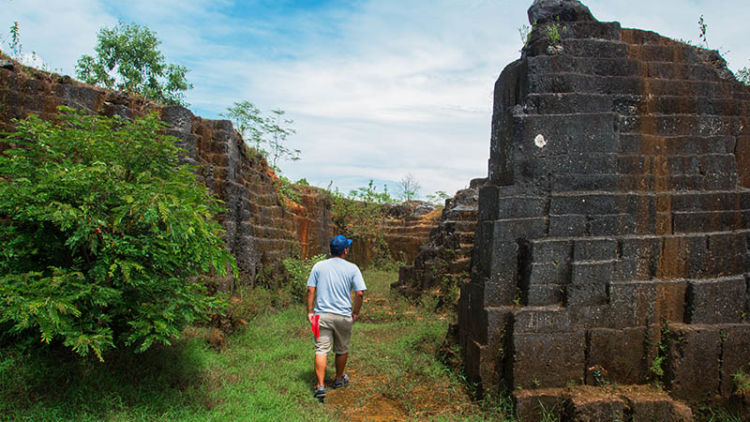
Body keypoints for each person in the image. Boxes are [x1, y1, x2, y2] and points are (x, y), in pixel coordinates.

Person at [306, 234, 366, 400]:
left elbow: (311, 290)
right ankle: (339, 379)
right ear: (345, 250)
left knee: (321, 349)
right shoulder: (352, 268)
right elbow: (359, 293)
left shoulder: (318, 266)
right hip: (343, 316)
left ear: (331, 250)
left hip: (321, 316)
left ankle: (320, 386)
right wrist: (355, 313)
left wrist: (310, 312)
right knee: (342, 349)